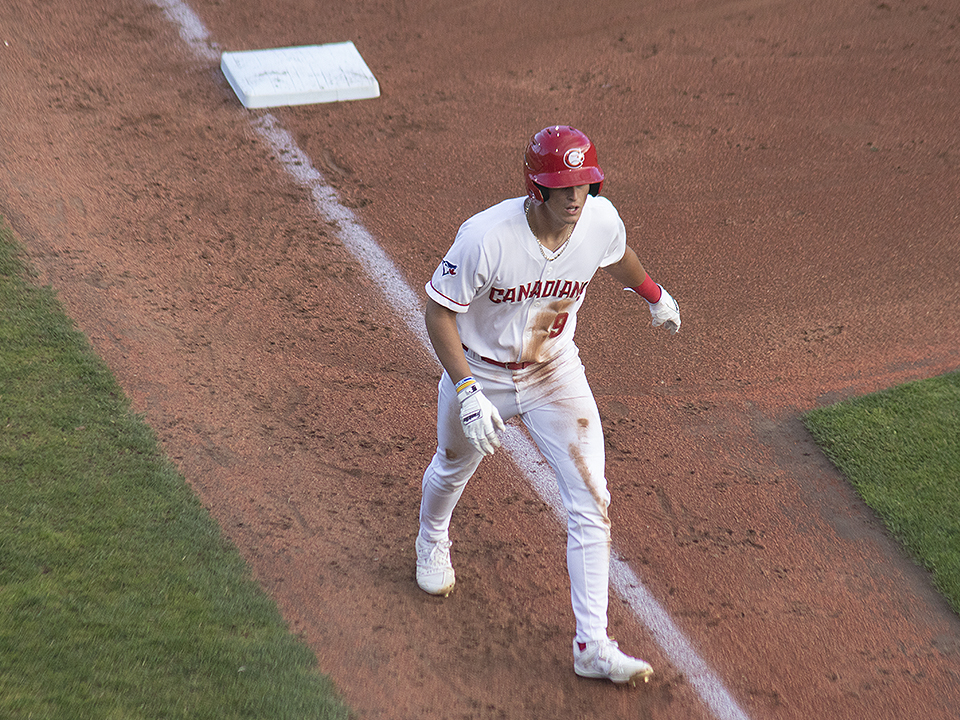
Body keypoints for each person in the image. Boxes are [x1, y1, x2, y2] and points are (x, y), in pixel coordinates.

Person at [416, 125, 680, 685]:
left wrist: (654, 295)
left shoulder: (599, 220)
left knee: (591, 499)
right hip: (481, 373)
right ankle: (432, 538)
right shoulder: (486, 237)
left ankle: (593, 645)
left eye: (584, 185)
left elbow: (618, 255)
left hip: (555, 372)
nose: (575, 198)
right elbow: (438, 313)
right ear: (535, 188)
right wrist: (465, 393)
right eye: (563, 188)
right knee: (453, 467)